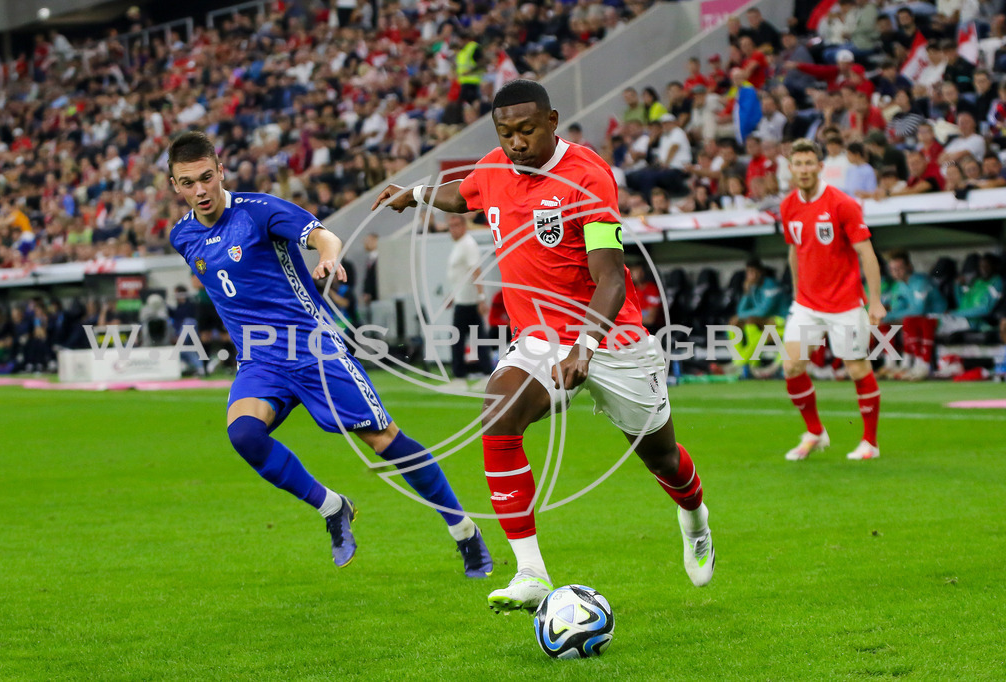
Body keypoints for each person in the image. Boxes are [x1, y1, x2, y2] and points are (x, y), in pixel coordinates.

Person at [372, 79, 714, 613]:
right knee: (498, 411)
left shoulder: (587, 176)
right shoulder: (494, 167)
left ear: (553, 122)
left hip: (610, 335)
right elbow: (462, 194)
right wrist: (413, 194)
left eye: (527, 130)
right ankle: (530, 571)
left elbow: (612, 280)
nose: (516, 142)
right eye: (505, 132)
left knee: (663, 458)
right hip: (540, 338)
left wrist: (585, 343)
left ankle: (695, 519)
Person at [166, 131, 492, 577]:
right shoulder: (182, 236)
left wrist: (328, 259)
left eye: (207, 177)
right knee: (244, 435)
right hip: (260, 362)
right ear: (174, 186)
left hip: (312, 348)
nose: (200, 190)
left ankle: (464, 531)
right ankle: (333, 507)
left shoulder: (260, 211)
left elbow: (323, 236)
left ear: (221, 171)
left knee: (384, 440)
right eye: (188, 183)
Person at [779, 138, 887, 462]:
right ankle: (815, 432)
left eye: (809, 163)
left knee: (856, 369)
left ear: (820, 166)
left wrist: (876, 301)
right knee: (791, 365)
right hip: (807, 304)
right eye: (798, 164)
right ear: (791, 168)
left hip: (845, 303)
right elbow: (794, 250)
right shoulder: (787, 206)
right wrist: (798, 292)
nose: (804, 169)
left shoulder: (842, 203)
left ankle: (870, 442)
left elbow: (866, 252)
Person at [881, 250, 947, 381]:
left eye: (899, 268)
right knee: (887, 324)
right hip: (921, 320)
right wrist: (886, 315)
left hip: (941, 318)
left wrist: (888, 316)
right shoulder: (900, 285)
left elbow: (918, 310)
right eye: (893, 269)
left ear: (909, 267)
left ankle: (922, 365)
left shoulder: (920, 281)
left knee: (910, 321)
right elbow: (899, 306)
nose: (896, 272)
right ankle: (895, 363)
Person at [445, 213, 493, 382]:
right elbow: (460, 276)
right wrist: (452, 295)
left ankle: (460, 376)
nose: (453, 230)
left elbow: (476, 271)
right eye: (450, 226)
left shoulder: (468, 244)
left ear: (464, 226)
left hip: (469, 301)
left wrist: (481, 297)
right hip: (461, 299)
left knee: (460, 339)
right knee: (475, 337)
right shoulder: (458, 245)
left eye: (456, 226)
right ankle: (485, 372)